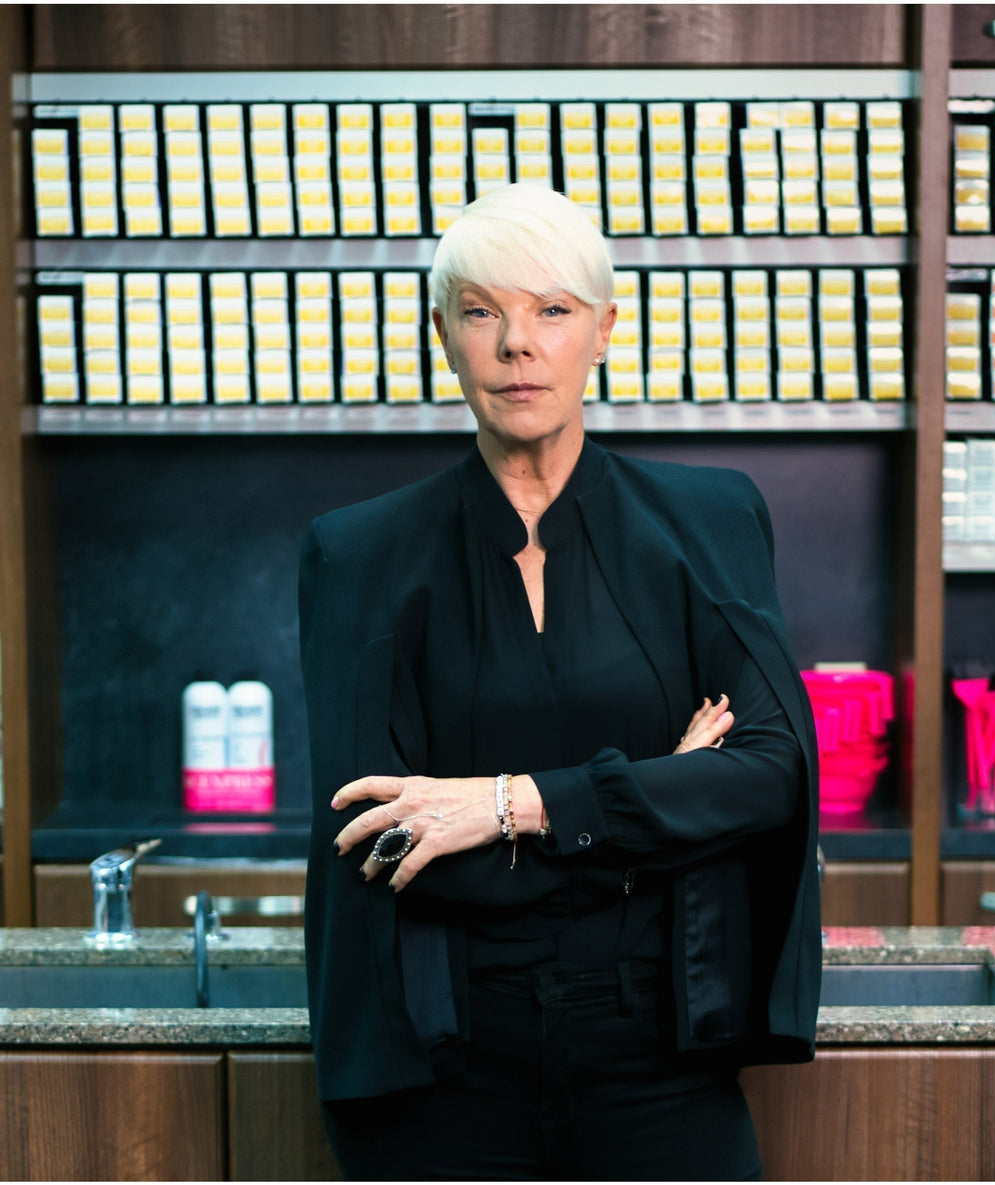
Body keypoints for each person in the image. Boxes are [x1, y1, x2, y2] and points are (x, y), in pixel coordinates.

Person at [299, 183, 821, 1182]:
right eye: (481, 311)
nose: (515, 345)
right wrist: (654, 812)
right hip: (443, 1067)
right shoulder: (357, 555)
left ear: (603, 331)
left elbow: (768, 778)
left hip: (660, 1053)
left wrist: (508, 804)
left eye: (551, 310)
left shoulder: (706, 521)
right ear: (442, 335)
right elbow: (388, 841)